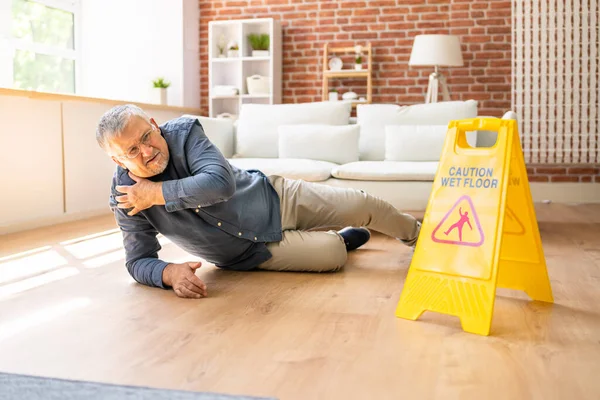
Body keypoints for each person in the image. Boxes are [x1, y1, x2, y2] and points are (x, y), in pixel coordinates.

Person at [96, 104, 422, 299]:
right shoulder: (124, 195)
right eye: (132, 151)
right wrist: (169, 273)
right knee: (332, 255)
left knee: (362, 204)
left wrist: (157, 193)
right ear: (117, 161)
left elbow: (219, 184)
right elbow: (137, 260)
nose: (148, 151)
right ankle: (341, 240)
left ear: (154, 125)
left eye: (147, 138)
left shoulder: (184, 133)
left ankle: (421, 238)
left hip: (273, 198)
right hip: (248, 252)